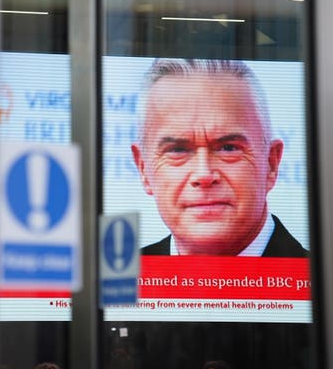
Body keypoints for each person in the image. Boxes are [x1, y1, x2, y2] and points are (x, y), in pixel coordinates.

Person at [131, 58, 307, 256]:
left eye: (228, 148)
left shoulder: (326, 279)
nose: (204, 175)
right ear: (143, 169)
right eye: (178, 150)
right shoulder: (119, 282)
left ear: (271, 163)